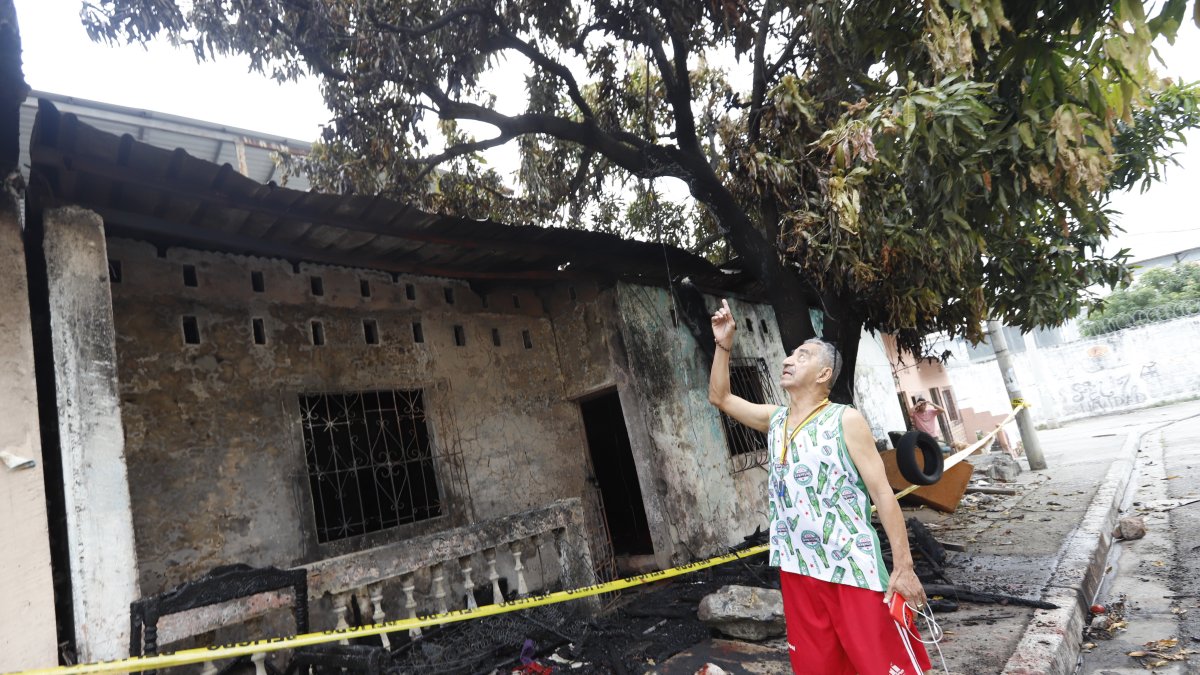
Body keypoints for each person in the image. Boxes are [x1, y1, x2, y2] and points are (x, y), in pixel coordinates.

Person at [708, 300, 931, 674]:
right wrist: (723, 344)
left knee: (880, 665)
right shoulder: (775, 419)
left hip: (849, 566)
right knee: (818, 668)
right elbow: (721, 397)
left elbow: (882, 494)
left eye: (803, 355)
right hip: (797, 568)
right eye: (791, 354)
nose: (788, 360)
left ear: (824, 373)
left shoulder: (845, 420)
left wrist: (904, 566)